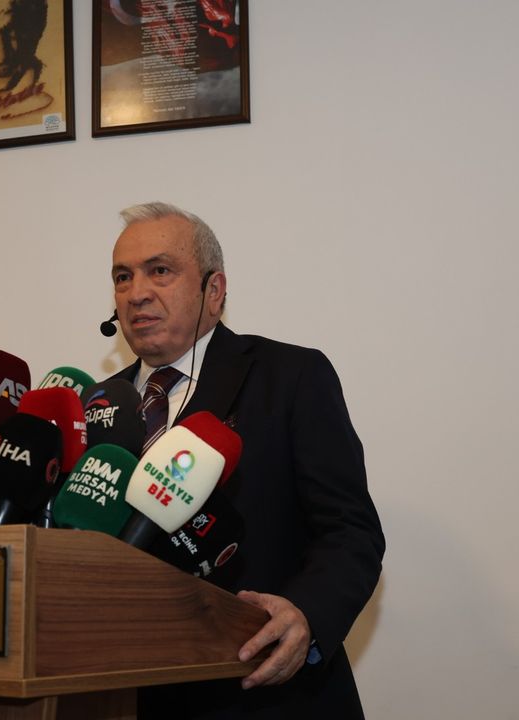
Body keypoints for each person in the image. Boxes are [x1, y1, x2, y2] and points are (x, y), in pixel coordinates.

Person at [107, 201, 386, 718]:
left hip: (264, 692)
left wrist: (307, 615)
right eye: (123, 277)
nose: (136, 292)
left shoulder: (289, 377)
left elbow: (351, 532)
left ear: (214, 291)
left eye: (160, 270)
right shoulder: (96, 406)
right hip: (123, 696)